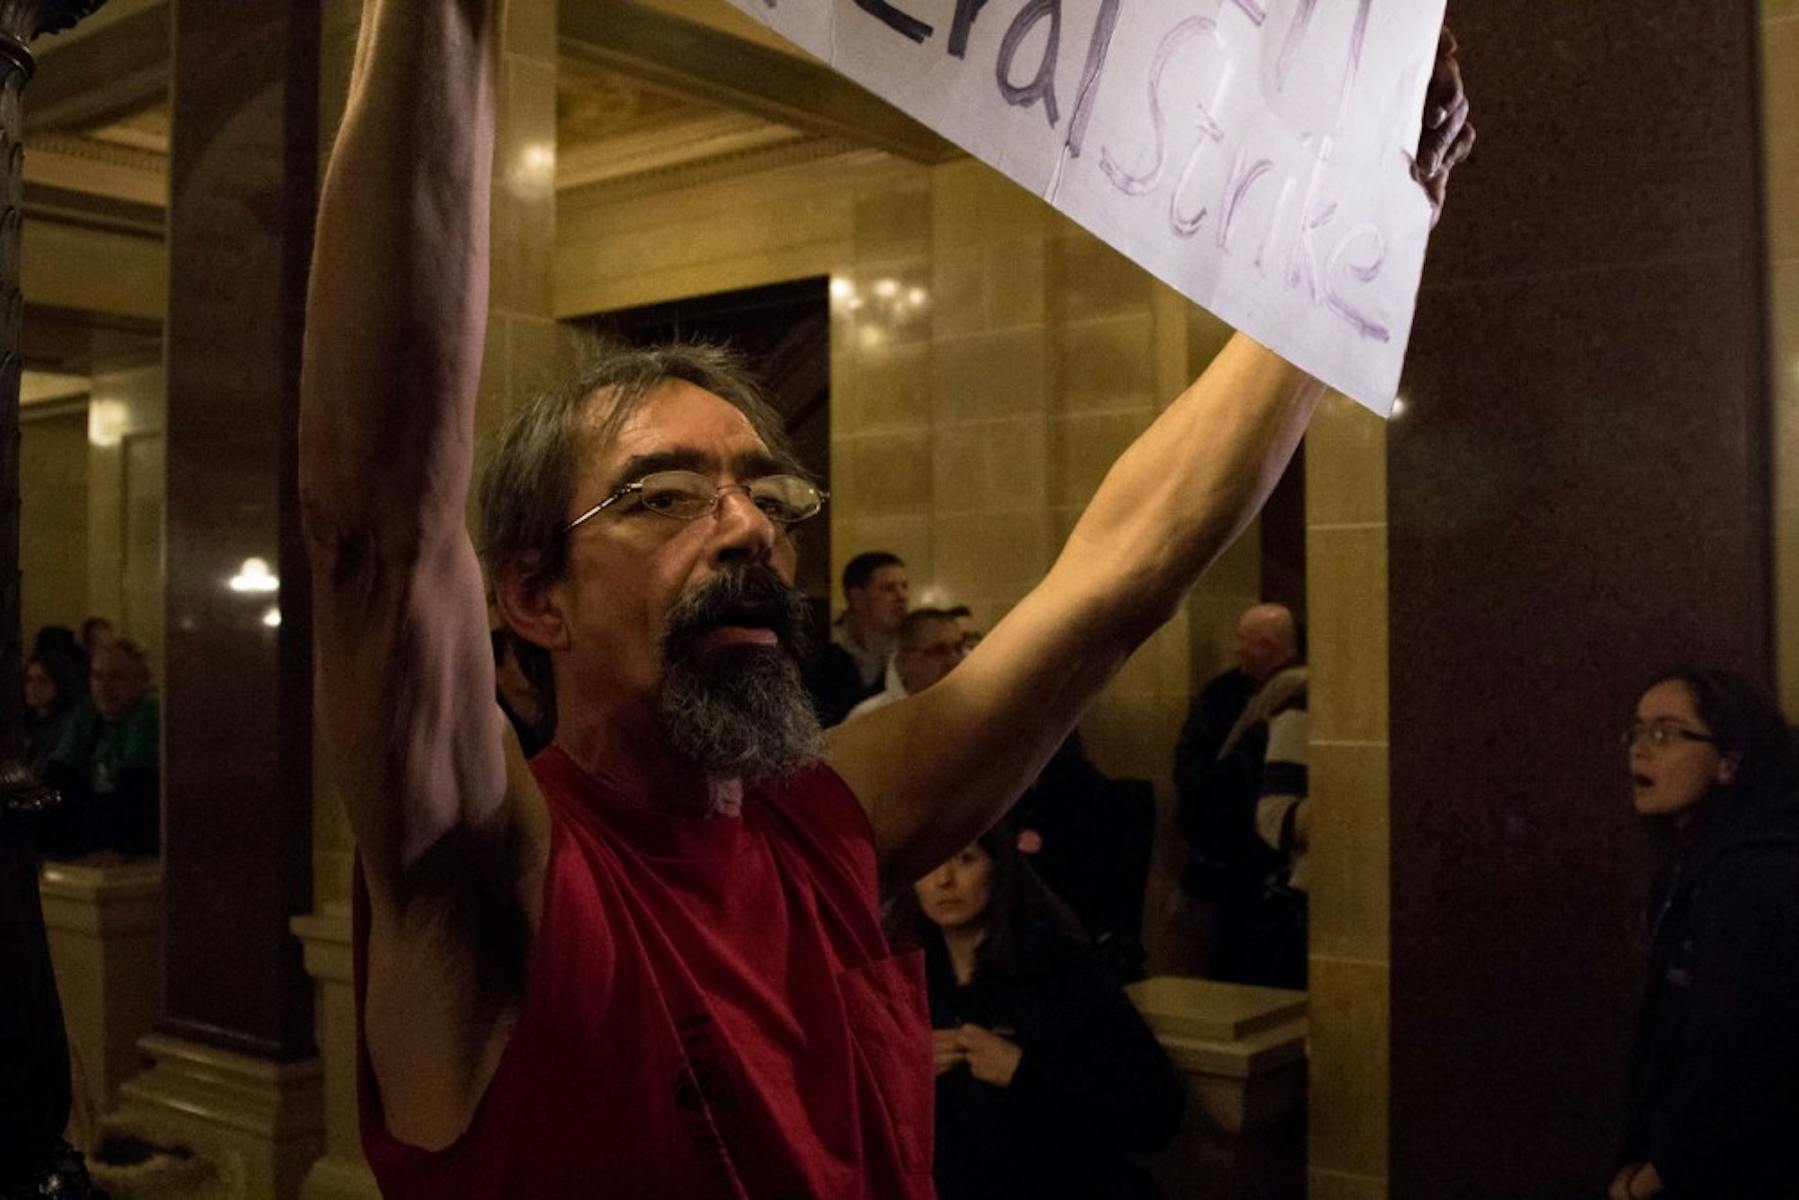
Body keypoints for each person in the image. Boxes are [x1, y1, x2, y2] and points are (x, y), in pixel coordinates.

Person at [298, 4, 1470, 1192]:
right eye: (665, 496)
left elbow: (1121, 576)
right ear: (532, 598)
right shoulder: (490, 874)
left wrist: (1363, 227)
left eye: (765, 492)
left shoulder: (824, 824)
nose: (748, 529)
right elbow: (375, 541)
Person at [885, 826, 1185, 1198]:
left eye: (965, 859)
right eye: (929, 865)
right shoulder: (902, 980)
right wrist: (905, 1070)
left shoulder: (1060, 969)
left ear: (998, 866)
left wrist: (1023, 1071)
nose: (943, 880)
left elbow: (1156, 1112)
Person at [1609, 667, 1799, 1200]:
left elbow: (1743, 1054)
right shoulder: (1695, 865)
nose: (1640, 749)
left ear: (1729, 762)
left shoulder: (1754, 880)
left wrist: (1656, 1176)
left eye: (1665, 734)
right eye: (1637, 731)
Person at [1174, 602, 1307, 982]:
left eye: (1244, 640)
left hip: (1257, 864)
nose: (1236, 649)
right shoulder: (1224, 694)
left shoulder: (1292, 697)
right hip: (1236, 864)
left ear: (1267, 645)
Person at [39, 641, 160, 859]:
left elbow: (135, 793)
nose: (104, 687)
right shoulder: (87, 713)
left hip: (136, 842)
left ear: (141, 681)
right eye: (97, 676)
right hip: (94, 835)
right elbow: (56, 780)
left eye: (117, 677)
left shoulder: (149, 715)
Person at [806, 551, 909, 726]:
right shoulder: (822, 666)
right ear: (857, 598)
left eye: (904, 586)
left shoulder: (915, 657)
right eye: (888, 588)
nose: (902, 597)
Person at [844, 607, 967, 720]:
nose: (955, 661)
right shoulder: (867, 717)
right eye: (939, 650)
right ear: (905, 661)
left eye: (958, 648)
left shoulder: (971, 711)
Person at [490, 627, 551, 758]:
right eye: (523, 660)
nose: (536, 665)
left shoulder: (559, 704)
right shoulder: (495, 728)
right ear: (497, 673)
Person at [22, 650, 84, 776]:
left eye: (42, 680)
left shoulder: (68, 724)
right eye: (29, 679)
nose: (33, 687)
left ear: (59, 684)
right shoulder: (31, 722)